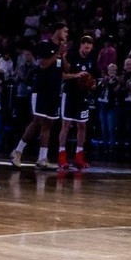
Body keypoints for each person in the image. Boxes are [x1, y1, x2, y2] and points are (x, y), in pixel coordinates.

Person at [10, 24, 68, 170]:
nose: (67, 34)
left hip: (55, 92)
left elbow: (65, 70)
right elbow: (43, 64)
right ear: (58, 30)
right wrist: (58, 53)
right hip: (42, 90)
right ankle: (17, 151)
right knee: (36, 121)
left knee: (48, 124)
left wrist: (63, 55)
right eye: (65, 31)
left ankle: (42, 158)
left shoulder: (61, 48)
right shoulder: (44, 45)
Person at [57, 34, 99, 171]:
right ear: (81, 45)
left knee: (82, 125)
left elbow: (94, 78)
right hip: (70, 94)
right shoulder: (71, 56)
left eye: (89, 48)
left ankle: (79, 156)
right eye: (86, 47)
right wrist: (77, 75)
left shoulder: (92, 59)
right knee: (66, 125)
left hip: (83, 96)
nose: (87, 50)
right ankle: (62, 155)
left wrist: (92, 84)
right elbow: (63, 75)